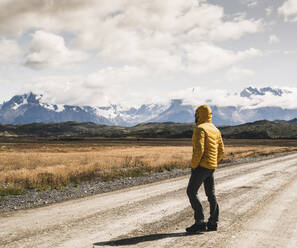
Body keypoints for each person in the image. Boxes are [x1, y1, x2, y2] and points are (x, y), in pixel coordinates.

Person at [186, 105, 224, 233]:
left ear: (198, 115)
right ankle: (213, 222)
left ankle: (200, 221)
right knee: (211, 194)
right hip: (211, 167)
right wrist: (214, 162)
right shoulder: (215, 130)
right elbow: (221, 151)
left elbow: (199, 150)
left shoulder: (200, 129)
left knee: (191, 191)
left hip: (201, 166)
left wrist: (194, 165)